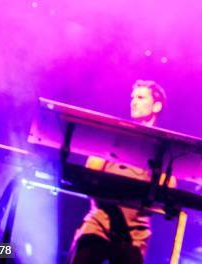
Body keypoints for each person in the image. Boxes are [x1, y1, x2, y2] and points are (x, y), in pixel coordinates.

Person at [68, 80, 167, 264]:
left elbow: (168, 190)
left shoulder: (162, 147)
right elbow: (91, 171)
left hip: (135, 232)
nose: (133, 102)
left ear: (156, 106)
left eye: (140, 97)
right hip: (100, 222)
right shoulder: (115, 136)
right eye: (132, 98)